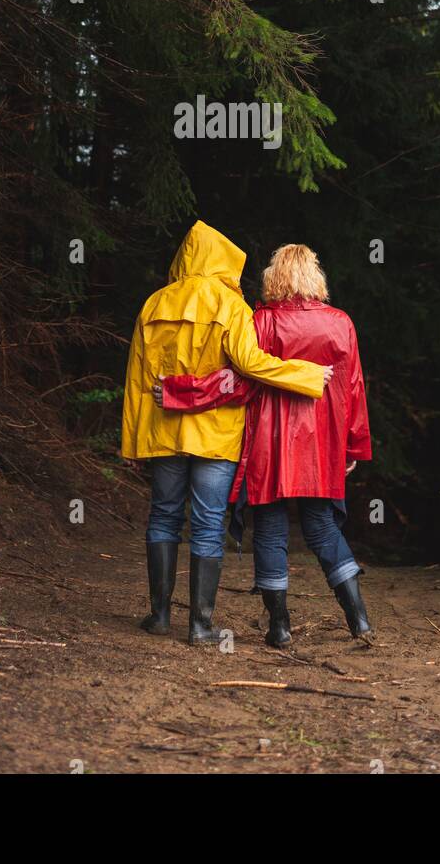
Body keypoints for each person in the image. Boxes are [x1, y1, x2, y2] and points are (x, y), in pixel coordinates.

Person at [121, 221, 331, 645]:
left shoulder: (154, 304)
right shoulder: (231, 306)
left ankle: (159, 616)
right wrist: (307, 374)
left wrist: (131, 440)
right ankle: (200, 625)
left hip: (163, 434)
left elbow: (137, 379)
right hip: (216, 436)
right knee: (208, 523)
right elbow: (251, 365)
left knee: (163, 516)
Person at [158, 243, 372, 646]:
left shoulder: (261, 322)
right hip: (321, 444)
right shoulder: (341, 323)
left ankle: (280, 626)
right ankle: (359, 620)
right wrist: (352, 446)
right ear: (315, 275)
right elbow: (353, 387)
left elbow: (237, 381)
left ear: (275, 276)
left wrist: (179, 392)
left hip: (269, 442)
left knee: (270, 532)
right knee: (323, 528)